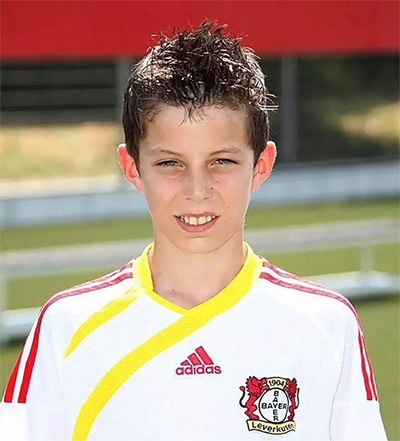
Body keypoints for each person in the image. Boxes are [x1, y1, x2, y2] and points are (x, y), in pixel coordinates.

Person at [0, 20, 387, 441]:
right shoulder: (65, 329)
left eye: (222, 161)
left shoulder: (326, 325)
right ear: (132, 167)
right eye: (170, 163)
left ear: (261, 165)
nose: (197, 190)